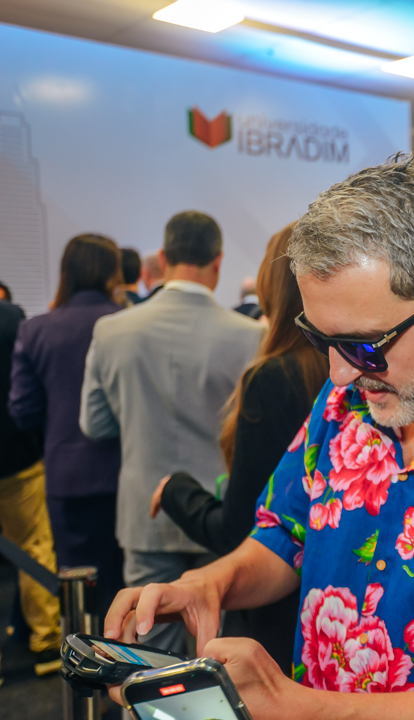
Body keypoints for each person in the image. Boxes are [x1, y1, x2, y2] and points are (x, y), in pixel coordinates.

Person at [103, 159, 414, 720]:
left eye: (365, 345)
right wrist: (214, 582)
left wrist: (295, 706)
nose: (339, 374)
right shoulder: (348, 400)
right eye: (321, 339)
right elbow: (285, 534)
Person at [80, 211, 264, 653]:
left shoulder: (112, 330)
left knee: (148, 650)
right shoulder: (250, 336)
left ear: (163, 259)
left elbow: (94, 423)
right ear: (217, 262)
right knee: (219, 654)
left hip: (147, 513)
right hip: (220, 512)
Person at [149, 224, 327, 672]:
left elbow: (244, 528)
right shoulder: (335, 378)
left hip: (278, 622)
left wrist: (176, 491)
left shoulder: (275, 379)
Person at [9, 234, 126, 623]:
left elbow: (23, 410)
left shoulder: (36, 330)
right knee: (129, 592)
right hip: (127, 473)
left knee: (79, 596)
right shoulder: (126, 323)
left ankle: (84, 659)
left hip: (67, 476)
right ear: (113, 271)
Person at [0, 289, 61, 677]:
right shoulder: (11, 319)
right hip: (16, 455)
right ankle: (46, 641)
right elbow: (27, 393)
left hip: (18, 455)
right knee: (34, 545)